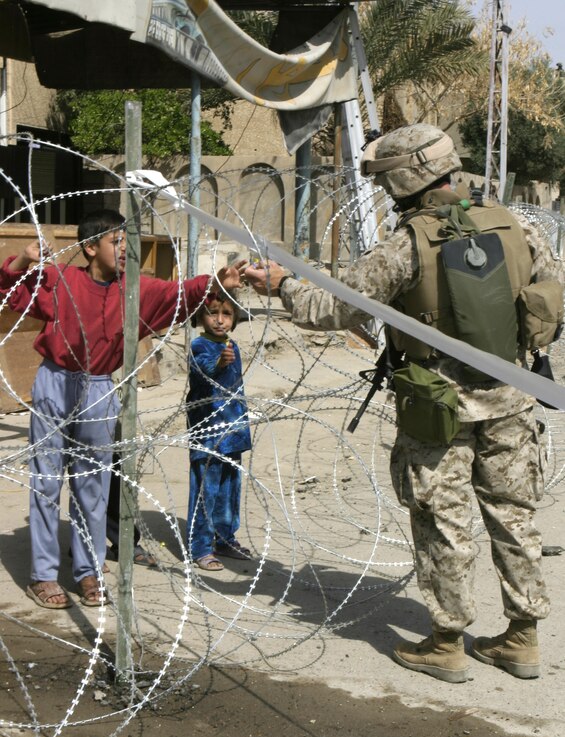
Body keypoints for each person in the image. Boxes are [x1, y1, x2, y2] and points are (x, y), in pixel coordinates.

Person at [244, 124, 564, 683]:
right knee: (514, 518)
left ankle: (447, 643)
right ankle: (523, 637)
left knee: (443, 521)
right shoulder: (514, 226)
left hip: (437, 407)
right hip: (511, 396)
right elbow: (550, 293)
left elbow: (334, 308)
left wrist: (280, 284)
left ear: (405, 179)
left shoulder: (406, 243)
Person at [0, 209, 245, 608]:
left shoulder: (134, 290)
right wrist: (25, 259)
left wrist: (217, 281)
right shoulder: (62, 279)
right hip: (55, 380)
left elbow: (177, 294)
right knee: (46, 481)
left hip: (98, 386)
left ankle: (88, 571)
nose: (125, 250)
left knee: (92, 485)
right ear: (91, 247)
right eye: (117, 242)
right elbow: (9, 290)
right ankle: (43, 575)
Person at [186, 289, 252, 571]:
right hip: (209, 428)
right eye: (213, 313)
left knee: (229, 486)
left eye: (226, 314)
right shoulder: (200, 346)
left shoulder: (232, 346)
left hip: (233, 426)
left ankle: (225, 537)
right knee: (206, 487)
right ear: (201, 316)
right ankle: (199, 545)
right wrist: (216, 364)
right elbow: (202, 372)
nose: (220, 320)